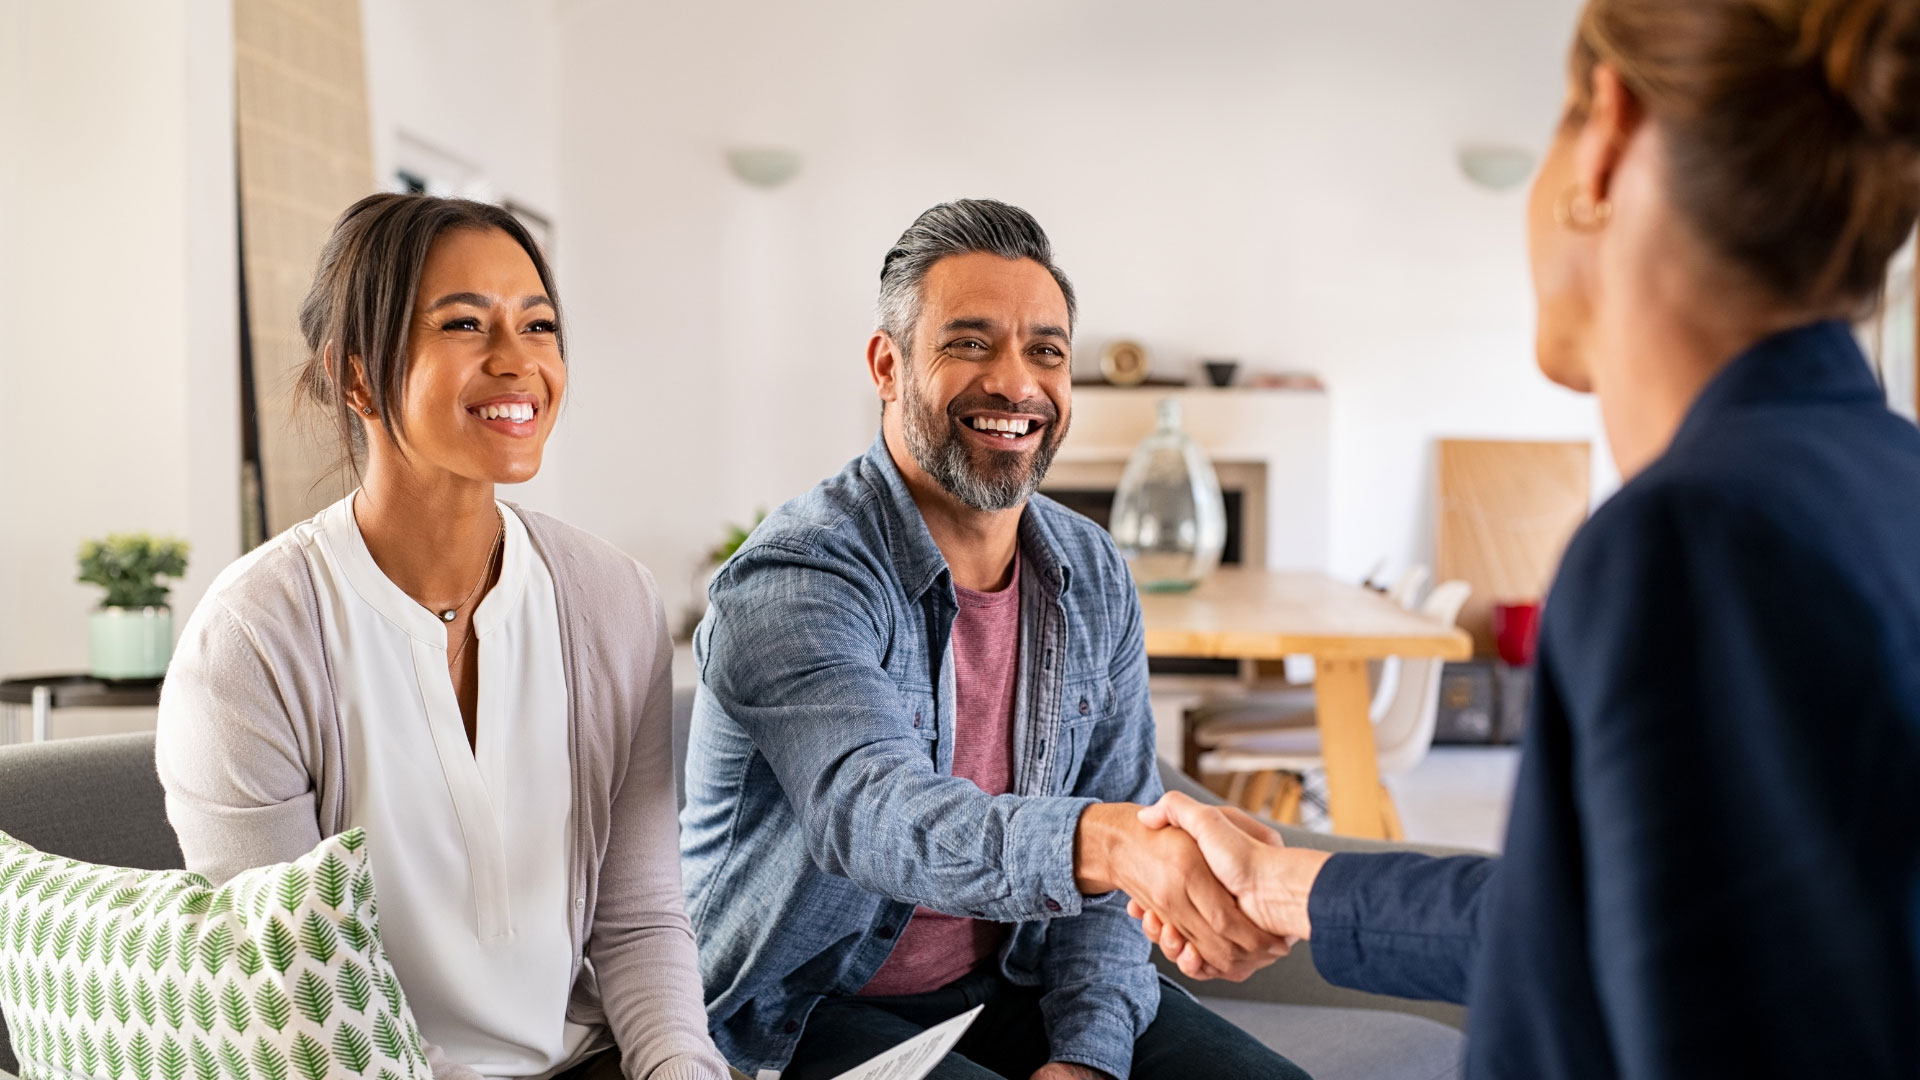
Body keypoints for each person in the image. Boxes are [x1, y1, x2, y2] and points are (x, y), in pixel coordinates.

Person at [1127, 0, 1920, 1076]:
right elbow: (1612, 924)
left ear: (1606, 131)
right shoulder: (1885, 480)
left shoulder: (1697, 542)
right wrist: (1288, 887)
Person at [679, 200, 1303, 1080]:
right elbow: (877, 815)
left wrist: (1086, 1057)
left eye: (1046, 351)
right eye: (969, 344)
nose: (1015, 383)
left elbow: (1107, 867)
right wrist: (1110, 842)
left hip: (1010, 983)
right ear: (887, 365)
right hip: (802, 1011)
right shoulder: (795, 579)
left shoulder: (1088, 570)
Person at [156, 194, 731, 1080]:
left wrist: (680, 1071)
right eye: (465, 323)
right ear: (356, 378)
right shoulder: (251, 641)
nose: (518, 362)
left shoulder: (612, 601)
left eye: (537, 326)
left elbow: (641, 917)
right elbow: (291, 994)